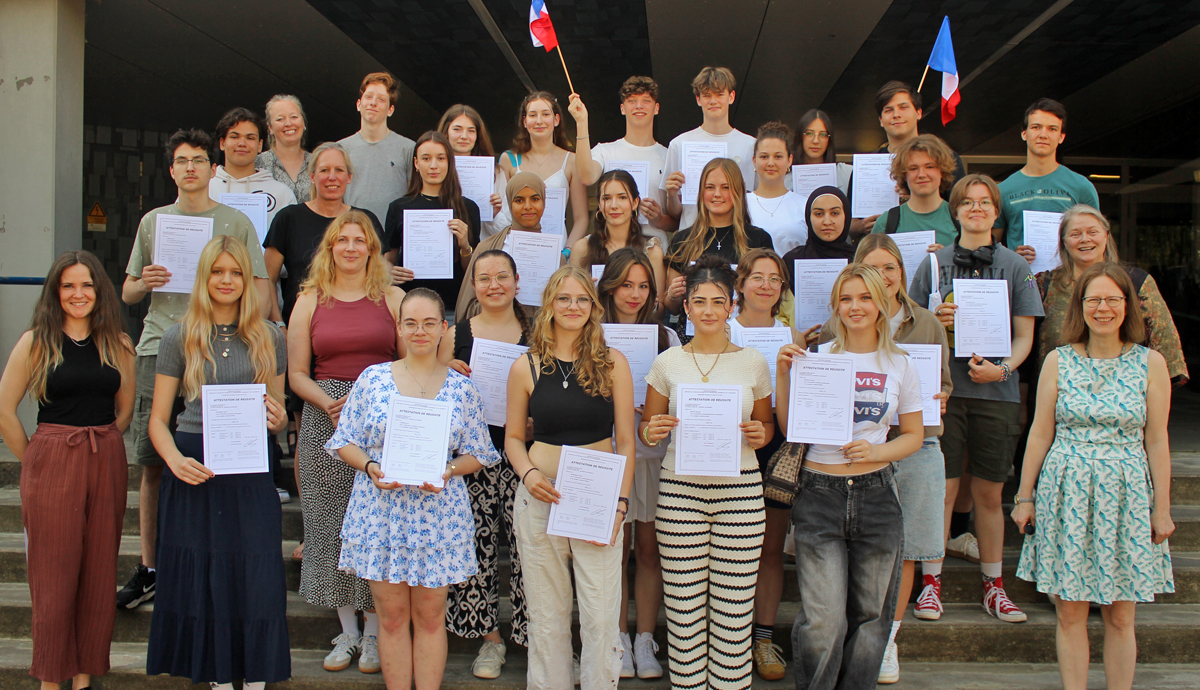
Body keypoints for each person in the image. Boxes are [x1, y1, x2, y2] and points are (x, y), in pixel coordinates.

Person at [117, 128, 269, 611]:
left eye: (198, 160)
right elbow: (128, 292)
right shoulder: (154, 221)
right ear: (171, 170)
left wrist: (256, 335)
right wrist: (145, 281)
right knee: (154, 462)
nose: (190, 168)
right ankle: (152, 567)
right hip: (161, 343)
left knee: (223, 453)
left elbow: (258, 283)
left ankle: (213, 561)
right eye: (181, 161)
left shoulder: (234, 220)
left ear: (212, 168)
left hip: (223, 347)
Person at [325, 288, 501, 690]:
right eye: (411, 323)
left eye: (428, 323)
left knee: (430, 618)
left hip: (438, 514)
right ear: (399, 328)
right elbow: (344, 440)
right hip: (380, 510)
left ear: (442, 329)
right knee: (390, 619)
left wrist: (448, 470)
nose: (419, 331)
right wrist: (369, 466)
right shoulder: (372, 379)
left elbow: (480, 452)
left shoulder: (462, 388)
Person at [1013, 263, 1174, 690]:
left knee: (1121, 614)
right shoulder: (1058, 361)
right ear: (1080, 307)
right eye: (1094, 300)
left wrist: (1162, 508)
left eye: (1113, 299)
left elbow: (1157, 440)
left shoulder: (1151, 363)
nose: (1103, 308)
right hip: (1066, 490)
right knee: (1070, 611)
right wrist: (1025, 496)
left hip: (1127, 494)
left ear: (1128, 306)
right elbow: (1040, 432)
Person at [144, 235, 290, 689]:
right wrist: (173, 460)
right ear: (203, 277)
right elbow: (157, 420)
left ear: (248, 279)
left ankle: (256, 678)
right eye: (217, 271)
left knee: (255, 574)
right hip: (194, 470)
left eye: (235, 272)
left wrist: (280, 418)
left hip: (249, 468)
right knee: (204, 577)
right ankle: (219, 679)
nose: (226, 280)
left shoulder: (270, 336)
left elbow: (280, 411)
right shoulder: (179, 336)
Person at [775, 263, 925, 690]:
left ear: (881, 303)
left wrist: (877, 450)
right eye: (845, 299)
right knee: (823, 619)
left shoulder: (901, 363)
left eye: (864, 297)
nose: (855, 306)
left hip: (877, 493)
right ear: (835, 306)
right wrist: (783, 374)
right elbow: (790, 428)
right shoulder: (818, 358)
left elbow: (914, 435)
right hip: (819, 493)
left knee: (872, 617)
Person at [908, 174, 1045, 624]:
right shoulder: (933, 264)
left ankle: (994, 586)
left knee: (988, 492)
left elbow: (1025, 336)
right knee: (943, 490)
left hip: (997, 393)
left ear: (996, 211)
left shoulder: (1015, 266)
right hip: (943, 394)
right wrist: (933, 317)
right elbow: (908, 326)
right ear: (956, 211)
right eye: (968, 202)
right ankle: (931, 585)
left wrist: (1002, 370)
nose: (977, 209)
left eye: (985, 202)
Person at [819, 235, 953, 684]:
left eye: (888, 268)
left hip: (908, 449)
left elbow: (941, 386)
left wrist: (940, 397)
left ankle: (888, 640)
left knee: (902, 552)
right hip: (845, 461)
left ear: (900, 272)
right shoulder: (833, 330)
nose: (881, 277)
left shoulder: (926, 323)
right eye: (871, 268)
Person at [0, 251, 134, 690]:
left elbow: (124, 411)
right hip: (53, 455)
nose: (79, 294)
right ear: (55, 292)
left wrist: (100, 447)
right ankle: (50, 681)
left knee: (98, 574)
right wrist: (37, 458)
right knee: (53, 577)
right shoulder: (36, 341)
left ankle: (82, 679)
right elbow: (4, 410)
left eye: (87, 285)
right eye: (68, 286)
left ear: (100, 291)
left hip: (105, 454)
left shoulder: (118, 342)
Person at [641, 256, 774, 689]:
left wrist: (760, 434)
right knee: (683, 614)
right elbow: (648, 430)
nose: (709, 310)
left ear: (733, 305)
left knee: (734, 615)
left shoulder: (753, 362)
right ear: (686, 307)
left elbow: (767, 426)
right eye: (700, 301)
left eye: (719, 301)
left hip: (741, 495)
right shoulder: (667, 363)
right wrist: (653, 430)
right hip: (680, 495)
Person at [505, 265, 636, 689]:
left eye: (582, 299)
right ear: (549, 304)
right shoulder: (525, 366)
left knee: (600, 616)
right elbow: (512, 438)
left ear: (594, 307)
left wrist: (620, 504)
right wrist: (527, 474)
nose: (573, 306)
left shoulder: (613, 363)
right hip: (540, 497)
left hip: (597, 501)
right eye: (564, 298)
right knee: (547, 617)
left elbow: (626, 441)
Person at [287, 210, 405, 674]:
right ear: (330, 248)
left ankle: (375, 634)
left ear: (372, 250)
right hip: (327, 418)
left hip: (383, 421)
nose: (351, 248)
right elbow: (297, 372)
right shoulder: (309, 300)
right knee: (330, 523)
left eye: (360, 240)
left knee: (376, 526)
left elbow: (410, 358)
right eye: (343, 240)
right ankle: (348, 632)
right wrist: (328, 402)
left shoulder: (392, 298)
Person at [438, 249, 532, 679]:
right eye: (484, 278)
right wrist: (445, 372)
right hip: (470, 459)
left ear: (517, 280)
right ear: (473, 286)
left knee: (530, 550)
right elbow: (432, 395)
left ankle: (535, 635)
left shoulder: (537, 333)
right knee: (476, 548)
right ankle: (489, 638)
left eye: (502, 276)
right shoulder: (454, 334)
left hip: (524, 456)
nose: (494, 285)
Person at [595, 248, 679, 680]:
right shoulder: (590, 335)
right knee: (613, 552)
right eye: (626, 284)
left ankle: (645, 638)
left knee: (649, 551)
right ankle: (618, 639)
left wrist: (660, 407)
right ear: (609, 287)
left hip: (651, 457)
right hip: (606, 456)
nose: (634, 294)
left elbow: (681, 395)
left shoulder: (666, 338)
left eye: (644, 286)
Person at [726, 249, 805, 682]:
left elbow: (798, 413)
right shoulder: (722, 328)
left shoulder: (792, 335)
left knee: (770, 549)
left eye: (775, 279)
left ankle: (762, 637)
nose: (766, 285)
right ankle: (727, 637)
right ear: (740, 284)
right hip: (728, 443)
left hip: (776, 445)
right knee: (727, 546)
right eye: (757, 277)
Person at [1034, 205, 1188, 386]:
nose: (1085, 239)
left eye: (1093, 232)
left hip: (1127, 393)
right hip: (1057, 392)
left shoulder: (1136, 282)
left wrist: (1157, 394)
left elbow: (1165, 343)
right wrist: (1017, 262)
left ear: (1106, 236)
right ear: (1064, 242)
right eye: (1075, 234)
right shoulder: (1044, 284)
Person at [264, 141, 385, 326]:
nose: (332, 177)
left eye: (339, 170)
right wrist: (278, 324)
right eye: (324, 170)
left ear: (349, 177)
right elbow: (267, 279)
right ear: (312, 177)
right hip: (300, 327)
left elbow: (379, 275)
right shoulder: (288, 218)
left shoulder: (365, 220)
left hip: (357, 325)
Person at [568, 75, 675, 246]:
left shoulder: (669, 156)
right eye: (632, 101)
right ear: (622, 108)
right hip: (611, 249)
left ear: (656, 108)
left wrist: (659, 219)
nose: (639, 106)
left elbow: (680, 220)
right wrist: (581, 123)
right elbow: (586, 177)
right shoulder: (605, 151)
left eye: (646, 100)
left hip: (653, 249)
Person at [663, 158, 774, 317]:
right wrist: (673, 294)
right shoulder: (682, 240)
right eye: (710, 187)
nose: (717, 194)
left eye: (725, 187)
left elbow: (769, 295)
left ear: (738, 191)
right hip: (694, 330)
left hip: (743, 329)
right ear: (701, 191)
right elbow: (672, 308)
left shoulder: (758, 239)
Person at [385, 131, 481, 311]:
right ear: (416, 163)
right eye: (426, 158)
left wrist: (464, 245)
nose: (433, 165)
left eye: (441, 158)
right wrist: (390, 271)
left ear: (449, 162)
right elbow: (388, 258)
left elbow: (474, 272)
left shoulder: (468, 208)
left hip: (455, 307)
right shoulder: (398, 207)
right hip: (409, 306)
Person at [995, 99, 1100, 261]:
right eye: (1036, 127)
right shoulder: (1004, 190)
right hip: (1021, 276)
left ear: (1061, 137)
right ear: (1024, 133)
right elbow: (991, 247)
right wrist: (1012, 259)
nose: (1043, 135)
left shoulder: (1081, 186)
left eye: (1052, 129)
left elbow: (1096, 242)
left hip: (1069, 276)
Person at [455, 172, 563, 322]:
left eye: (535, 199)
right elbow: (467, 307)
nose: (528, 206)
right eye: (519, 200)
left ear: (544, 202)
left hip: (541, 333)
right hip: (496, 331)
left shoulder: (555, 254)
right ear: (510, 204)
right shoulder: (488, 248)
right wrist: (498, 298)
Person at [860, 81, 967, 233]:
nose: (896, 114)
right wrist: (861, 226)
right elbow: (848, 221)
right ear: (880, 120)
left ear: (919, 113)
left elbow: (963, 208)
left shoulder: (949, 158)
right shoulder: (865, 164)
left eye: (903, 107)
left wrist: (919, 194)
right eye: (888, 110)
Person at [661, 66, 757, 231]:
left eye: (719, 94)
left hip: (736, 236)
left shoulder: (751, 145)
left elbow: (757, 202)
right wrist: (671, 194)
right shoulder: (679, 144)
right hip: (693, 236)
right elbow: (676, 213)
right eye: (707, 95)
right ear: (698, 99)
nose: (713, 101)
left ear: (731, 97)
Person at [495, 91, 589, 245]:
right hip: (518, 245)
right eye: (533, 115)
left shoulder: (572, 160)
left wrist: (567, 251)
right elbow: (502, 213)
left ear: (556, 119)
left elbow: (581, 218)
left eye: (545, 114)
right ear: (525, 121)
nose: (539, 121)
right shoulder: (509, 159)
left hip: (558, 248)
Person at [569, 169, 666, 304]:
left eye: (622, 197)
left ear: (635, 203)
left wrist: (649, 303)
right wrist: (584, 294)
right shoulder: (582, 248)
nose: (614, 205)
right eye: (606, 198)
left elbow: (659, 309)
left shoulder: (651, 251)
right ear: (599, 204)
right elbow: (572, 299)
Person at [339, 71, 417, 224]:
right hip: (353, 232)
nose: (373, 103)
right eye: (368, 97)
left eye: (381, 99)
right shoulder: (341, 149)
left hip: (393, 236)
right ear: (358, 104)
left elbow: (415, 198)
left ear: (390, 110)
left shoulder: (408, 148)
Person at [208, 107, 297, 239]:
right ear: (222, 143)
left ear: (260, 145)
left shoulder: (281, 194)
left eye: (250, 138)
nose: (242, 143)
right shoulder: (204, 189)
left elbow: (292, 243)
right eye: (234, 136)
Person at [781, 186, 858, 336]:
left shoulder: (859, 259)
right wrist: (796, 337)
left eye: (835, 213)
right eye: (819, 214)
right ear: (808, 218)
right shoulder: (791, 261)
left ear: (846, 216)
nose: (827, 221)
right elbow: (780, 312)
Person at [872, 134, 958, 247]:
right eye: (913, 168)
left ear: (942, 171)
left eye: (929, 167)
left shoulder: (960, 218)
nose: (921, 174)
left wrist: (946, 255)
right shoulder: (886, 222)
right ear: (904, 175)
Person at [438, 104, 505, 236]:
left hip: (481, 245)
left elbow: (506, 229)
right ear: (446, 132)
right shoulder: (434, 170)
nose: (464, 136)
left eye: (471, 131)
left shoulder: (495, 172)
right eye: (457, 129)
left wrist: (493, 215)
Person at [746, 122, 808, 256]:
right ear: (754, 160)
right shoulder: (741, 204)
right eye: (764, 156)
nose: (770, 163)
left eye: (778, 156)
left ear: (789, 160)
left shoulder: (805, 205)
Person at [257, 94, 312, 202]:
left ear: (303, 123)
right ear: (270, 128)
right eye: (280, 119)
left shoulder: (317, 163)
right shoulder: (258, 164)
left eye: (294, 117)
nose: (288, 123)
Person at [794, 108, 853, 193]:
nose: (816, 141)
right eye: (809, 133)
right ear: (800, 136)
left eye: (823, 134)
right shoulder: (786, 180)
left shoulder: (846, 174)